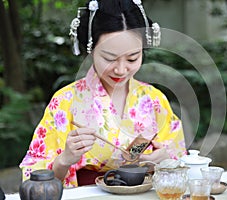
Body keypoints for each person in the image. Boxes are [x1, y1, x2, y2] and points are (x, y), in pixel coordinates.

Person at [19, 0, 186, 188]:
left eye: (132, 58)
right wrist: (64, 160)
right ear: (91, 51)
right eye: (109, 58)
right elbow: (34, 176)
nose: (121, 70)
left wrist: (165, 160)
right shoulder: (65, 101)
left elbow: (179, 158)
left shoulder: (154, 99)